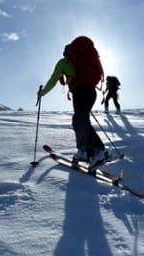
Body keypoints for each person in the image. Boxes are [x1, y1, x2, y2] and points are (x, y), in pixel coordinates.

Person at [39, 37, 107, 170]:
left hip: (80, 91)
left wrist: (42, 93)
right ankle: (87, 151)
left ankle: (97, 151)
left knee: (80, 120)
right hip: (91, 92)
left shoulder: (64, 62)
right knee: (80, 119)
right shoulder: (85, 59)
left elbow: (53, 79)